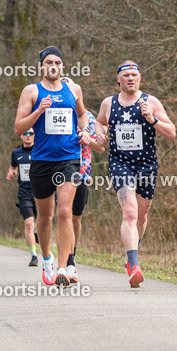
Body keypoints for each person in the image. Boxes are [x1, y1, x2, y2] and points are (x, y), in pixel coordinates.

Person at [14, 46, 94, 286]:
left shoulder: (74, 89)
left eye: (58, 63)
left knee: (64, 211)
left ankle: (63, 268)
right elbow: (19, 127)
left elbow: (82, 115)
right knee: (45, 215)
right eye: (49, 62)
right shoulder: (31, 91)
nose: (53, 66)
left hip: (70, 158)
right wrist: (39, 110)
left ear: (62, 66)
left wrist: (85, 131)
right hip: (41, 160)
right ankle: (47, 259)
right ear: (41, 66)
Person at [96, 61, 176, 287]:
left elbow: (171, 133)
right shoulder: (108, 103)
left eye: (134, 75)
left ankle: (132, 257)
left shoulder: (150, 102)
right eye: (126, 75)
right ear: (118, 79)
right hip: (120, 163)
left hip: (147, 165)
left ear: (140, 78)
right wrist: (100, 134)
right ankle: (133, 265)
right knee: (129, 212)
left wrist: (153, 119)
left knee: (141, 216)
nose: (130, 78)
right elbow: (100, 123)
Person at [67, 104, 103, 281]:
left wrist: (88, 138)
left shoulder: (89, 117)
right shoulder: (52, 112)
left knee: (75, 218)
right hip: (58, 174)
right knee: (63, 215)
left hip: (82, 173)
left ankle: (71, 256)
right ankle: (66, 262)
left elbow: (100, 148)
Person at [7, 129, 39, 266]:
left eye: (31, 133)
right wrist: (11, 173)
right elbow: (12, 167)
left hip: (41, 192)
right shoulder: (16, 153)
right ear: (20, 135)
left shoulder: (40, 150)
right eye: (25, 133)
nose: (28, 136)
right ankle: (34, 256)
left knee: (41, 222)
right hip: (24, 192)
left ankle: (38, 234)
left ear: (35, 135)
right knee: (28, 223)